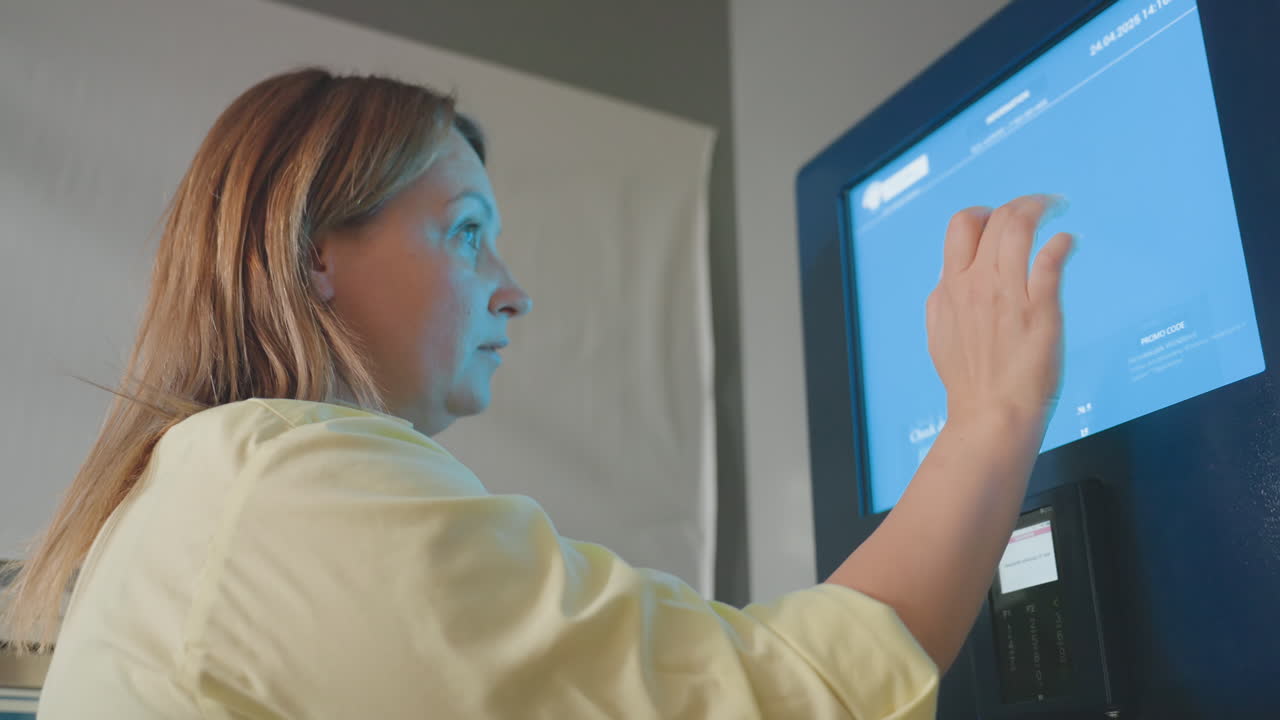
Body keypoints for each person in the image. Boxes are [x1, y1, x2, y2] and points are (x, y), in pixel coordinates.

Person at [0, 68, 1072, 719]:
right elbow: (773, 702)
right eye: (467, 234)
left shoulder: (206, 489)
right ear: (315, 255)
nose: (512, 292)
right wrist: (985, 421)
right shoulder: (282, 485)